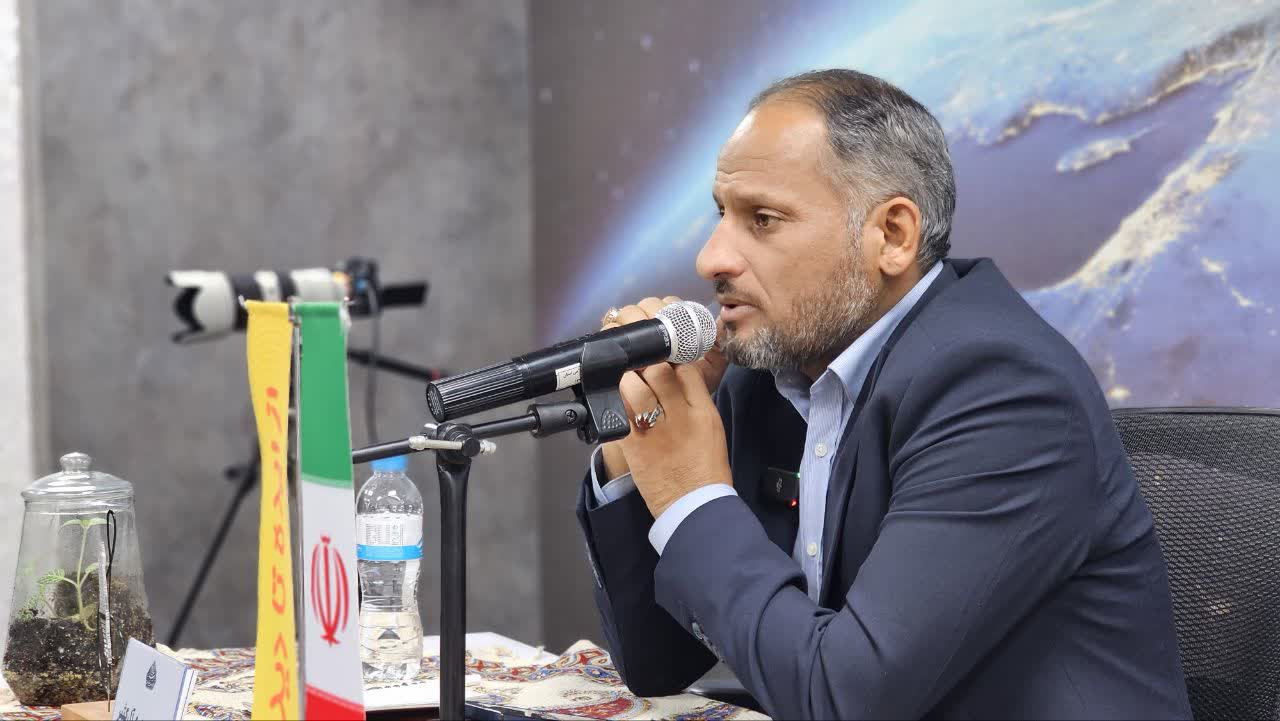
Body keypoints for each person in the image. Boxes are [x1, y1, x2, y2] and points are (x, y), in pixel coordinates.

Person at [575, 69, 1192, 719]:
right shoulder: (770, 371)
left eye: (762, 219)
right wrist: (637, 431)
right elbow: (658, 663)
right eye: (721, 214)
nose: (711, 258)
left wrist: (691, 495)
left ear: (893, 236)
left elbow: (848, 699)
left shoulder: (1004, 392)